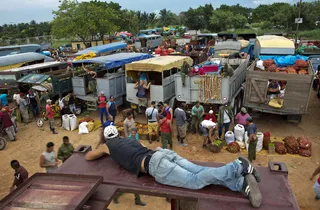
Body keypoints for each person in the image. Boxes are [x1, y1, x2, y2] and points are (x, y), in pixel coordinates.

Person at [86, 126, 262, 208]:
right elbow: (138, 144)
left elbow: (89, 156)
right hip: (161, 153)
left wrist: (102, 145)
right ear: (118, 133)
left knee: (195, 181)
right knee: (199, 171)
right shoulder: (129, 139)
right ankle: (241, 183)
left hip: (155, 166)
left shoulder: (107, 146)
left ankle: (237, 166)